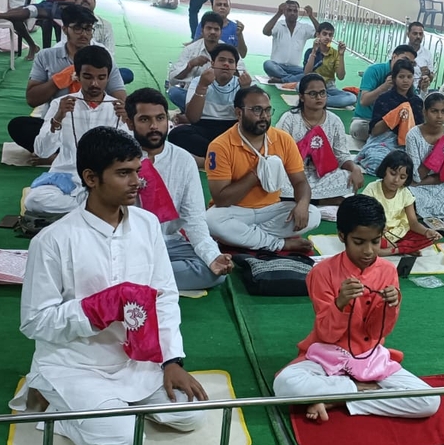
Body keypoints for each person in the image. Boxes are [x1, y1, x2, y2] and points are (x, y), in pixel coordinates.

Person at [9, 127, 207, 445]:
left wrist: (172, 361)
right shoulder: (53, 241)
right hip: (76, 364)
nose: (136, 182)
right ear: (91, 178)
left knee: (191, 414)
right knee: (119, 438)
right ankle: (61, 409)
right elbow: (34, 322)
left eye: (137, 172)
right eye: (123, 173)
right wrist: (95, 310)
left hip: (138, 360)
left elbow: (165, 297)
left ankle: (102, 410)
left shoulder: (147, 225)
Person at [272, 195, 440, 422]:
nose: (369, 251)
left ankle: (336, 398)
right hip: (327, 355)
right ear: (342, 236)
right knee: (285, 385)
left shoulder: (388, 272)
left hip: (369, 356)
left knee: (429, 401)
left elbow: (377, 333)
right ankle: (360, 390)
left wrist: (391, 306)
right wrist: (340, 304)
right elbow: (327, 334)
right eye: (359, 242)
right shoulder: (321, 273)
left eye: (375, 241)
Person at [126, 88, 233, 291]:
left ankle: (132, 279)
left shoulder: (183, 160)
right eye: (144, 120)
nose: (154, 126)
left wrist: (212, 256)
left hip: (170, 244)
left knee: (212, 272)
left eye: (160, 118)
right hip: (129, 243)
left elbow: (194, 220)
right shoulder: (119, 159)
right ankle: (142, 277)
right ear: (131, 123)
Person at [205, 87, 320, 253]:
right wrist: (257, 173)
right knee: (211, 221)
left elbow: (300, 181)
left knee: (313, 214)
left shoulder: (283, 139)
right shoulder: (220, 146)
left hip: (270, 210)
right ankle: (278, 243)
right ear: (238, 113)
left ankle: (247, 236)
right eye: (257, 110)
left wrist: (302, 204)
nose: (264, 116)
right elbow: (222, 199)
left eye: (267, 110)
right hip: (235, 211)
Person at [25, 46, 130, 215]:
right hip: (67, 176)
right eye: (88, 77)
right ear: (78, 76)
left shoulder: (118, 108)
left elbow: (134, 155)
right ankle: (94, 208)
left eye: (101, 78)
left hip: (107, 178)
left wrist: (128, 123)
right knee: (34, 200)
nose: (95, 84)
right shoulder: (61, 104)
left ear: (108, 77)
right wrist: (58, 118)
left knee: (138, 199)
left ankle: (85, 208)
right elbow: (42, 151)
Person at [8, 5, 126, 156]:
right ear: (65, 30)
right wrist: (57, 81)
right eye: (77, 28)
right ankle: (59, 154)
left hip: (94, 122)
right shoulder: (46, 56)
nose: (84, 34)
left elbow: (121, 100)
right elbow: (32, 99)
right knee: (19, 126)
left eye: (88, 29)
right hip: (60, 122)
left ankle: (62, 155)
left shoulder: (103, 57)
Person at [276, 74, 363, 205]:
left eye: (322, 93)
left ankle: (298, 199)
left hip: (322, 175)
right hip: (293, 175)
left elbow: (342, 156)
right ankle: (321, 200)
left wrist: (355, 169)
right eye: (312, 94)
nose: (319, 97)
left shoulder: (334, 121)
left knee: (346, 177)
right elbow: (279, 155)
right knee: (274, 179)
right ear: (301, 97)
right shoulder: (289, 119)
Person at [168, 44, 252, 165]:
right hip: (204, 126)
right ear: (213, 63)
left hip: (232, 129)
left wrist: (245, 90)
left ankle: (210, 159)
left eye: (231, 61)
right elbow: (192, 118)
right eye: (221, 60)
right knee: (176, 134)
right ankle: (227, 157)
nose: (226, 64)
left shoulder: (243, 83)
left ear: (235, 67)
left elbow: (248, 120)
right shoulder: (199, 81)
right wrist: (202, 87)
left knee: (255, 135)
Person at [364, 151, 442, 256]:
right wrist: (378, 226)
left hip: (400, 233)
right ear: (384, 170)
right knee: (364, 236)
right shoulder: (372, 189)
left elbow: (413, 223)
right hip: (377, 233)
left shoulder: (405, 193)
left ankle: (390, 250)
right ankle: (403, 248)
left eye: (402, 177)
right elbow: (364, 218)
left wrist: (427, 232)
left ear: (407, 179)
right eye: (392, 173)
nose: (396, 180)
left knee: (428, 238)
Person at [405, 93, 444, 220]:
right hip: (415, 190)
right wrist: (435, 158)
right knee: (409, 208)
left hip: (442, 188)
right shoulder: (413, 135)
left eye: (443, 111)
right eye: (434, 111)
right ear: (425, 112)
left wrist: (420, 181)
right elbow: (416, 176)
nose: (439, 116)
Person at [168, 12, 246, 113]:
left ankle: (195, 115)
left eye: (216, 29)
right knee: (174, 92)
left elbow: (243, 76)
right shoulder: (190, 50)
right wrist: (191, 65)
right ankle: (208, 113)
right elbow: (173, 79)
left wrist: (230, 69)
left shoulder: (229, 51)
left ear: (221, 32)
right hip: (197, 95)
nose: (212, 32)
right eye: (209, 28)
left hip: (222, 97)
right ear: (202, 30)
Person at [355, 59, 424, 174]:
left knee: (425, 162)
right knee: (378, 161)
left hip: (409, 143)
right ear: (394, 79)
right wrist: (395, 116)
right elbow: (375, 131)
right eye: (401, 77)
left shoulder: (416, 101)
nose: (406, 81)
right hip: (384, 141)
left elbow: (419, 130)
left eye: (409, 77)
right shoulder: (384, 99)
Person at [351, 45, 418, 141]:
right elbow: (363, 101)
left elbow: (415, 103)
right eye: (404, 60)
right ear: (394, 57)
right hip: (368, 121)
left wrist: (423, 90)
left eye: (411, 63)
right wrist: (384, 87)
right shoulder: (374, 70)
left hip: (397, 123)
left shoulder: (407, 78)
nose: (407, 64)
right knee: (358, 128)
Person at [71, 0, 133, 85]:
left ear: (95, 3)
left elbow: (110, 54)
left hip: (100, 67)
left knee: (127, 74)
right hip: (75, 68)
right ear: (75, 2)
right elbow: (67, 51)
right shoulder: (69, 25)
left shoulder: (105, 25)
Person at [262, 0, 320, 83]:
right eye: (289, 10)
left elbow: (320, 33)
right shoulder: (279, 25)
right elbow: (265, 31)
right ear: (284, 12)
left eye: (295, 11)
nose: (292, 13)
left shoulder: (304, 28)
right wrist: (278, 13)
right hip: (277, 65)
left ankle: (282, 79)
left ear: (298, 12)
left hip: (295, 68)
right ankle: (292, 79)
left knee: (312, 73)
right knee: (267, 64)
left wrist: (311, 16)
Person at [302, 23, 357, 108]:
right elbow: (306, 74)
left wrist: (341, 55)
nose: (327, 37)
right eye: (324, 34)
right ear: (318, 35)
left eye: (330, 35)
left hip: (329, 87)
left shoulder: (335, 53)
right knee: (299, 86)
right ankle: (323, 100)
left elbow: (341, 77)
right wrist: (314, 52)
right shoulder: (310, 51)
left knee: (351, 97)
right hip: (313, 85)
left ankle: (315, 100)